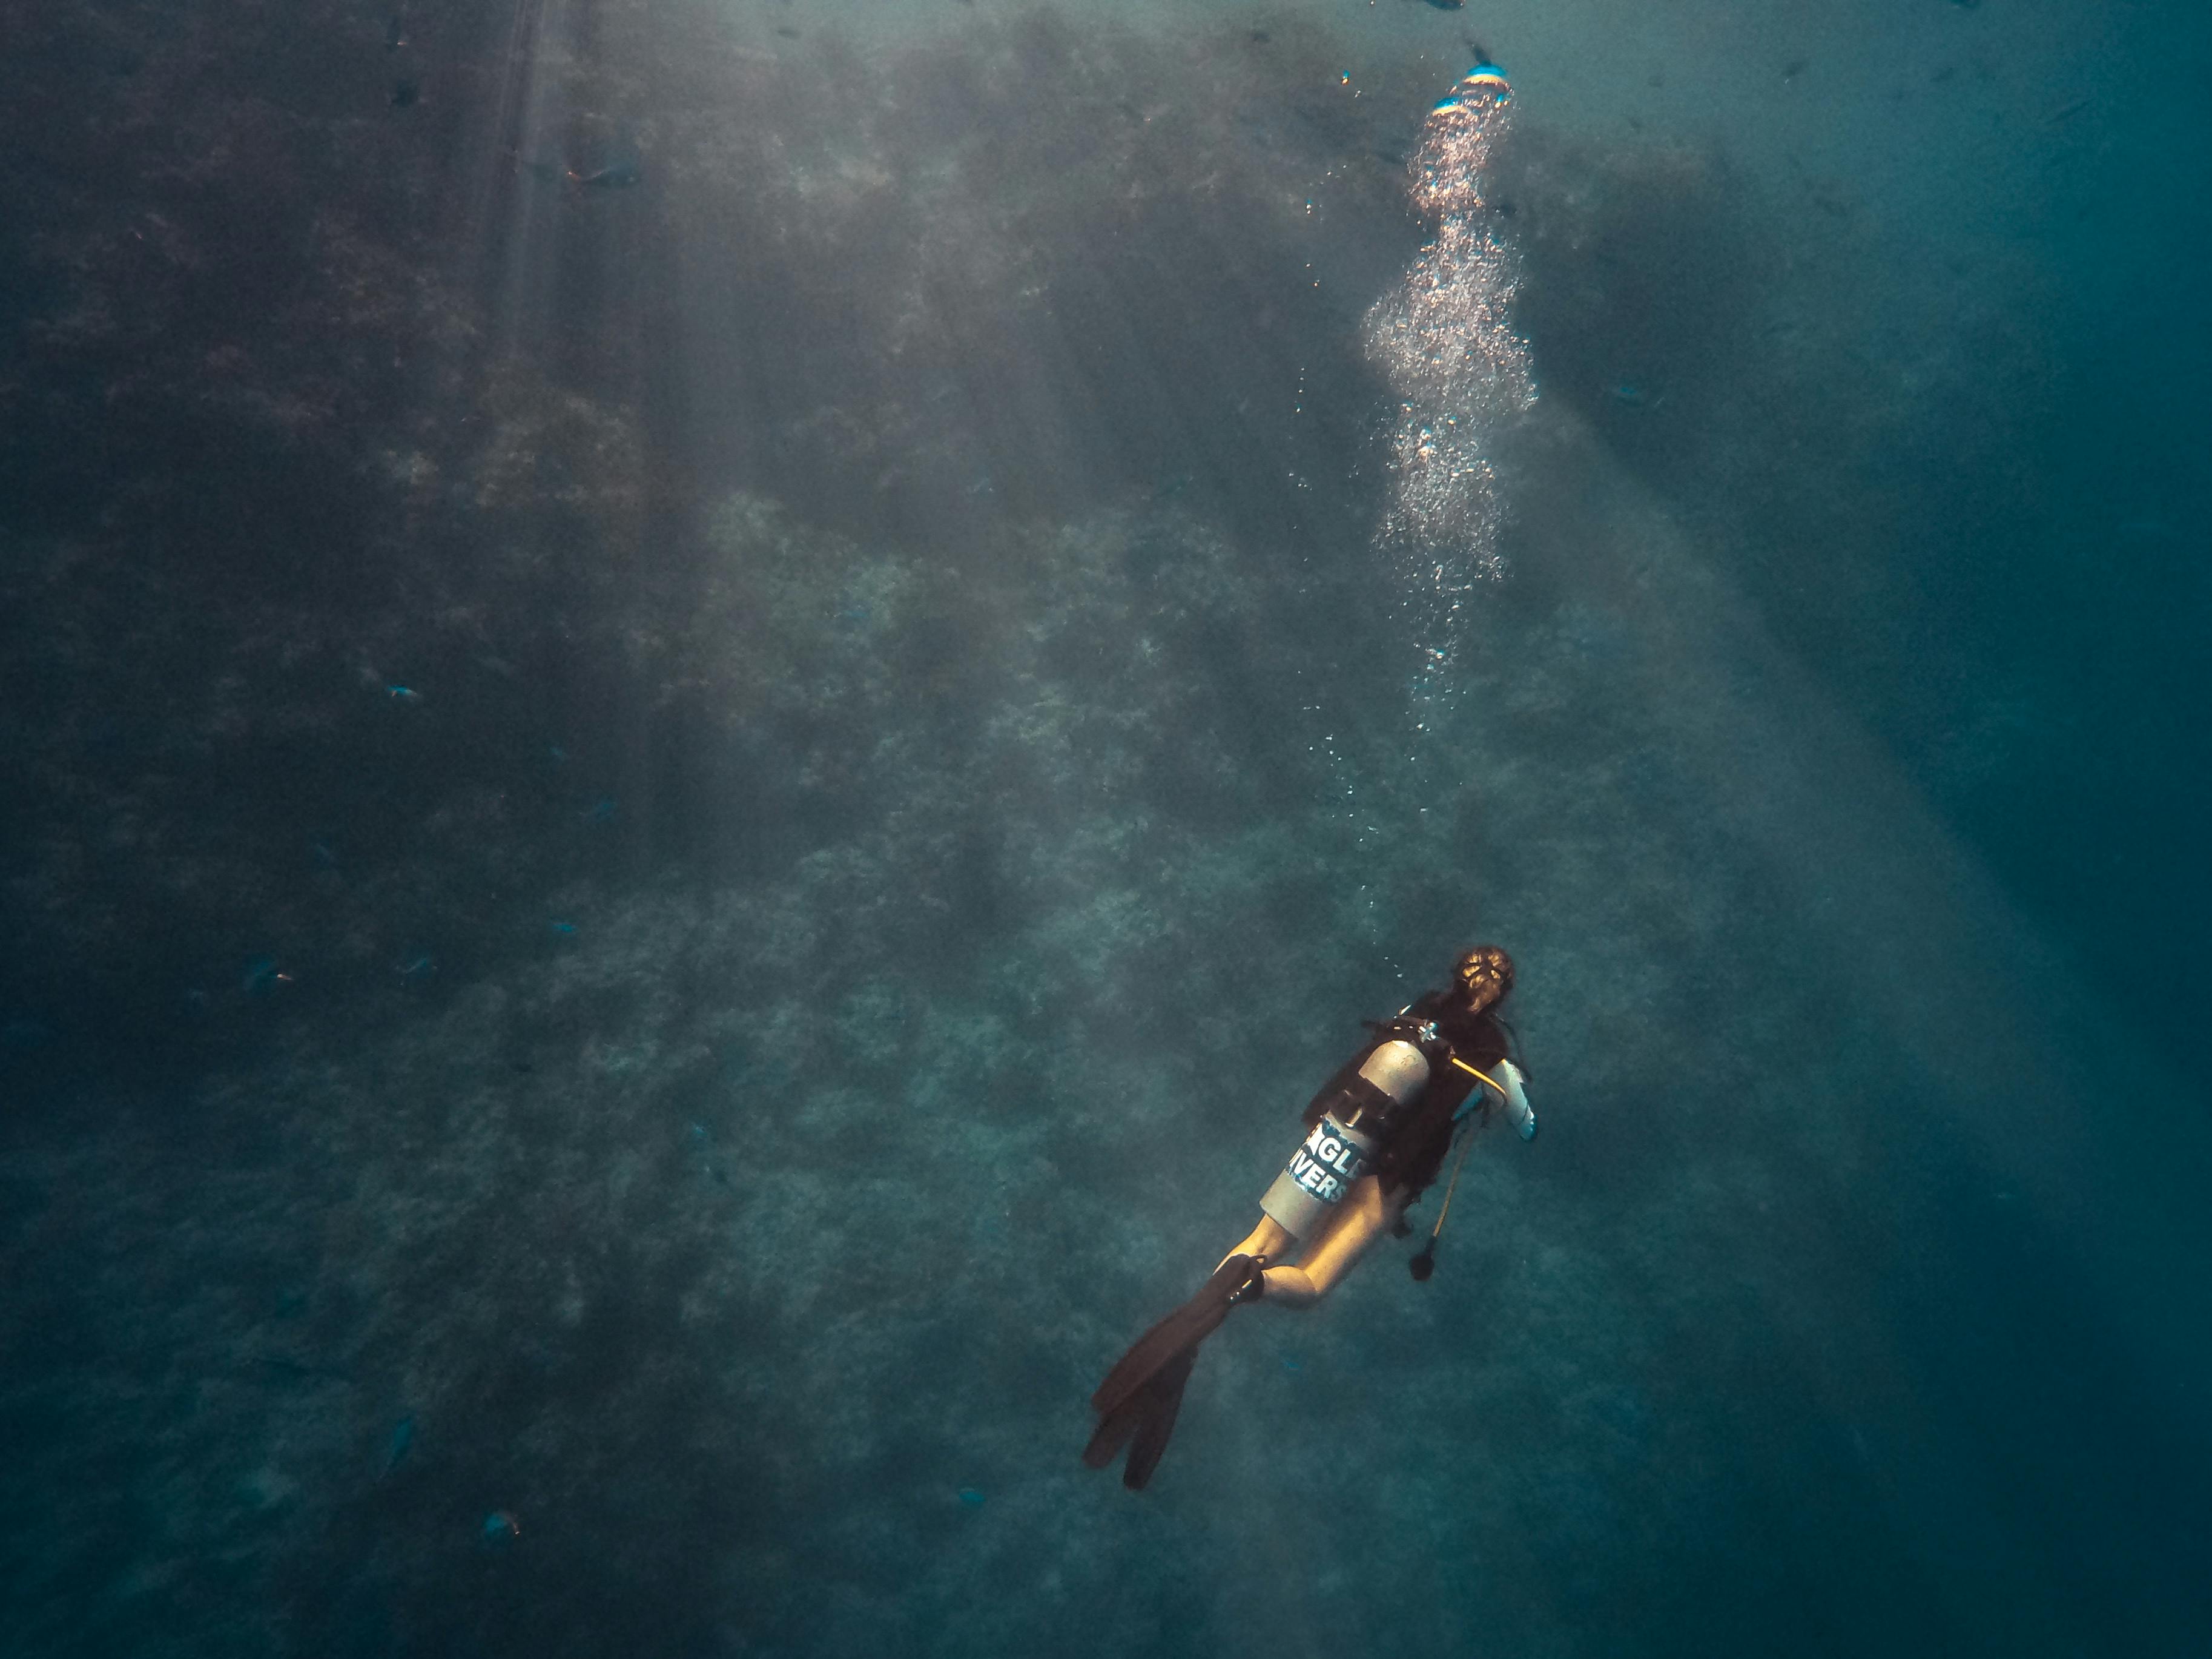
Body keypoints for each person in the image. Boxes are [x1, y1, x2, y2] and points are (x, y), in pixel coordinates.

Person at [1081, 946, 1536, 1489]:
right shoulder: (1496, 1057)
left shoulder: (1423, 1009)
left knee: (1263, 1237)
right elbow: (1529, 1128)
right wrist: (1505, 1087)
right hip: (1389, 1181)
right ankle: (1249, 1288)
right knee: (1313, 1281)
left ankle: (1209, 1306)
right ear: (1503, 994)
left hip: (1344, 1130)